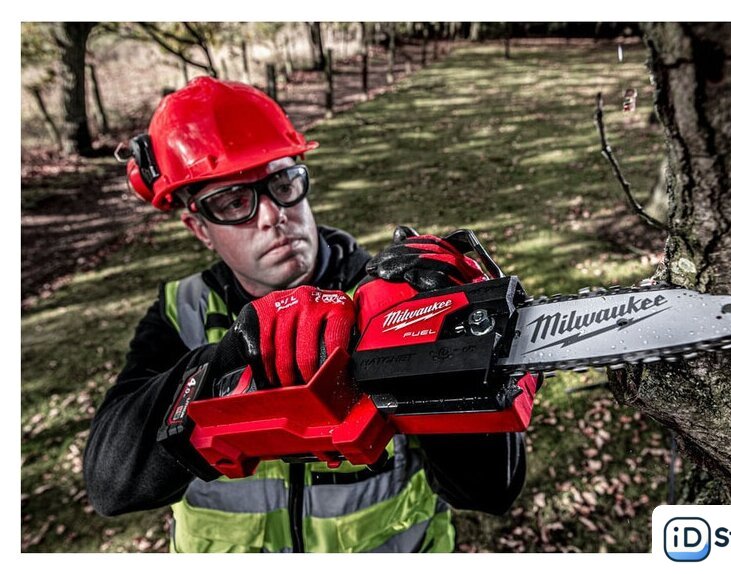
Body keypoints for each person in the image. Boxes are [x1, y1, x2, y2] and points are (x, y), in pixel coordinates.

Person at [83, 76, 527, 553]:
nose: (272, 214)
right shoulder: (182, 313)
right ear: (199, 228)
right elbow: (110, 484)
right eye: (234, 202)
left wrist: (451, 353)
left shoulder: (389, 297)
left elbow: (490, 489)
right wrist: (228, 362)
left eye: (282, 183)